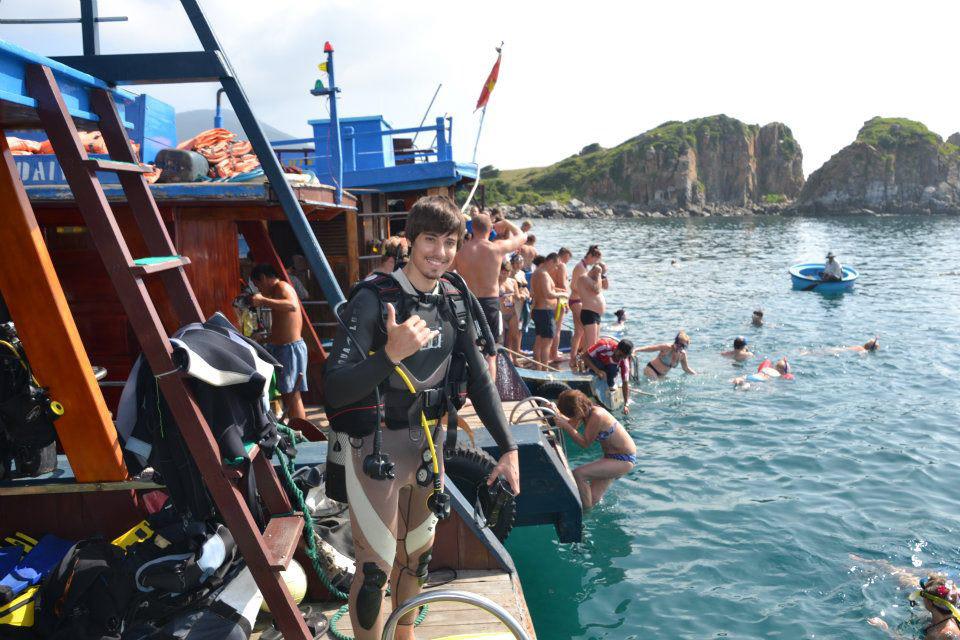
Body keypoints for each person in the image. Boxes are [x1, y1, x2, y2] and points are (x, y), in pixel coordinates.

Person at [323, 196, 520, 640]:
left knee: (418, 561)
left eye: (450, 242)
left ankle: (405, 634)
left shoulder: (453, 298)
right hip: (376, 451)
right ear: (410, 241)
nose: (440, 252)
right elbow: (333, 390)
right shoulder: (373, 300)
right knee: (374, 572)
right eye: (430, 239)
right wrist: (389, 355)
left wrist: (509, 449)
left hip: (429, 447)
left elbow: (481, 381)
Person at [453, 212, 527, 380]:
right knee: (490, 352)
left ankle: (467, 387)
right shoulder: (496, 248)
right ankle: (490, 390)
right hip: (490, 303)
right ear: (490, 229)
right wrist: (506, 223)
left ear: (472, 228)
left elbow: (444, 273)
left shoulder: (461, 252)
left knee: (469, 349)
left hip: (468, 302)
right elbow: (522, 236)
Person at [549, 389, 636, 510]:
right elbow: (572, 424)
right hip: (610, 458)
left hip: (623, 459)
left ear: (578, 409)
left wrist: (566, 425)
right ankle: (588, 513)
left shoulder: (597, 415)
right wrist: (555, 412)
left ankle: (584, 516)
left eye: (573, 414)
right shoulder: (586, 411)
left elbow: (584, 443)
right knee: (592, 499)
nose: (574, 417)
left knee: (578, 474)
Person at [250, 264, 307, 420]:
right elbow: (284, 327)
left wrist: (263, 300)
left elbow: (291, 306)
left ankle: (303, 430)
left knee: (292, 395)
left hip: (290, 349)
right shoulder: (276, 291)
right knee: (288, 395)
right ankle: (298, 428)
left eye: (258, 285)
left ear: (263, 278)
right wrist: (265, 338)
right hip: (285, 348)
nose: (259, 290)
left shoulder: (282, 286)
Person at [568, 245, 604, 367]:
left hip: (579, 301)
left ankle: (574, 357)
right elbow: (573, 286)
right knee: (584, 331)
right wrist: (585, 290)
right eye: (595, 259)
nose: (596, 262)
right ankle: (580, 358)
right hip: (576, 300)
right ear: (590, 256)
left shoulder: (584, 267)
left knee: (579, 331)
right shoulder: (580, 267)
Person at [530, 253, 564, 370]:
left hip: (538, 310)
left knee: (539, 339)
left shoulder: (537, 272)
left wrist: (557, 290)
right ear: (550, 261)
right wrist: (562, 295)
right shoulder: (543, 274)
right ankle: (545, 369)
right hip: (545, 311)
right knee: (547, 342)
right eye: (556, 265)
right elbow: (548, 294)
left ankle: (537, 365)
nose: (556, 268)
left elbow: (538, 290)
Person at [584, 337, 633, 414]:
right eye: (620, 355)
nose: (620, 358)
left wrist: (626, 404)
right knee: (601, 368)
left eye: (623, 357)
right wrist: (597, 371)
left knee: (612, 370)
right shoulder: (603, 345)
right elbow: (584, 356)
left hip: (609, 369)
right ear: (616, 349)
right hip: (595, 364)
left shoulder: (624, 361)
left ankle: (608, 385)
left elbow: (625, 382)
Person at [548, 248, 573, 363]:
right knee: (557, 328)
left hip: (551, 298)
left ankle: (552, 351)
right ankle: (553, 354)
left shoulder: (552, 265)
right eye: (568, 258)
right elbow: (562, 284)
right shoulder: (562, 265)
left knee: (553, 326)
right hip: (560, 298)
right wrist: (567, 300)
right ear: (564, 255)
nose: (568, 260)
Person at [577, 264, 607, 355]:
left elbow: (606, 287)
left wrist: (603, 276)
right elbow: (597, 289)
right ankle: (584, 361)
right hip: (589, 313)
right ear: (594, 270)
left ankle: (581, 360)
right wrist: (599, 274)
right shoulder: (584, 278)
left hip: (596, 314)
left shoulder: (596, 280)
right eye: (600, 272)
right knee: (592, 345)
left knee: (594, 343)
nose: (601, 274)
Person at [498, 261, 520, 348]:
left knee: (514, 337)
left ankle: (514, 355)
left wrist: (514, 295)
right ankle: (502, 355)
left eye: (507, 273)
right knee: (502, 338)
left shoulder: (513, 281)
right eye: (503, 273)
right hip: (501, 313)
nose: (505, 275)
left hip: (511, 312)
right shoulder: (495, 282)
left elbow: (517, 296)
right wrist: (503, 295)